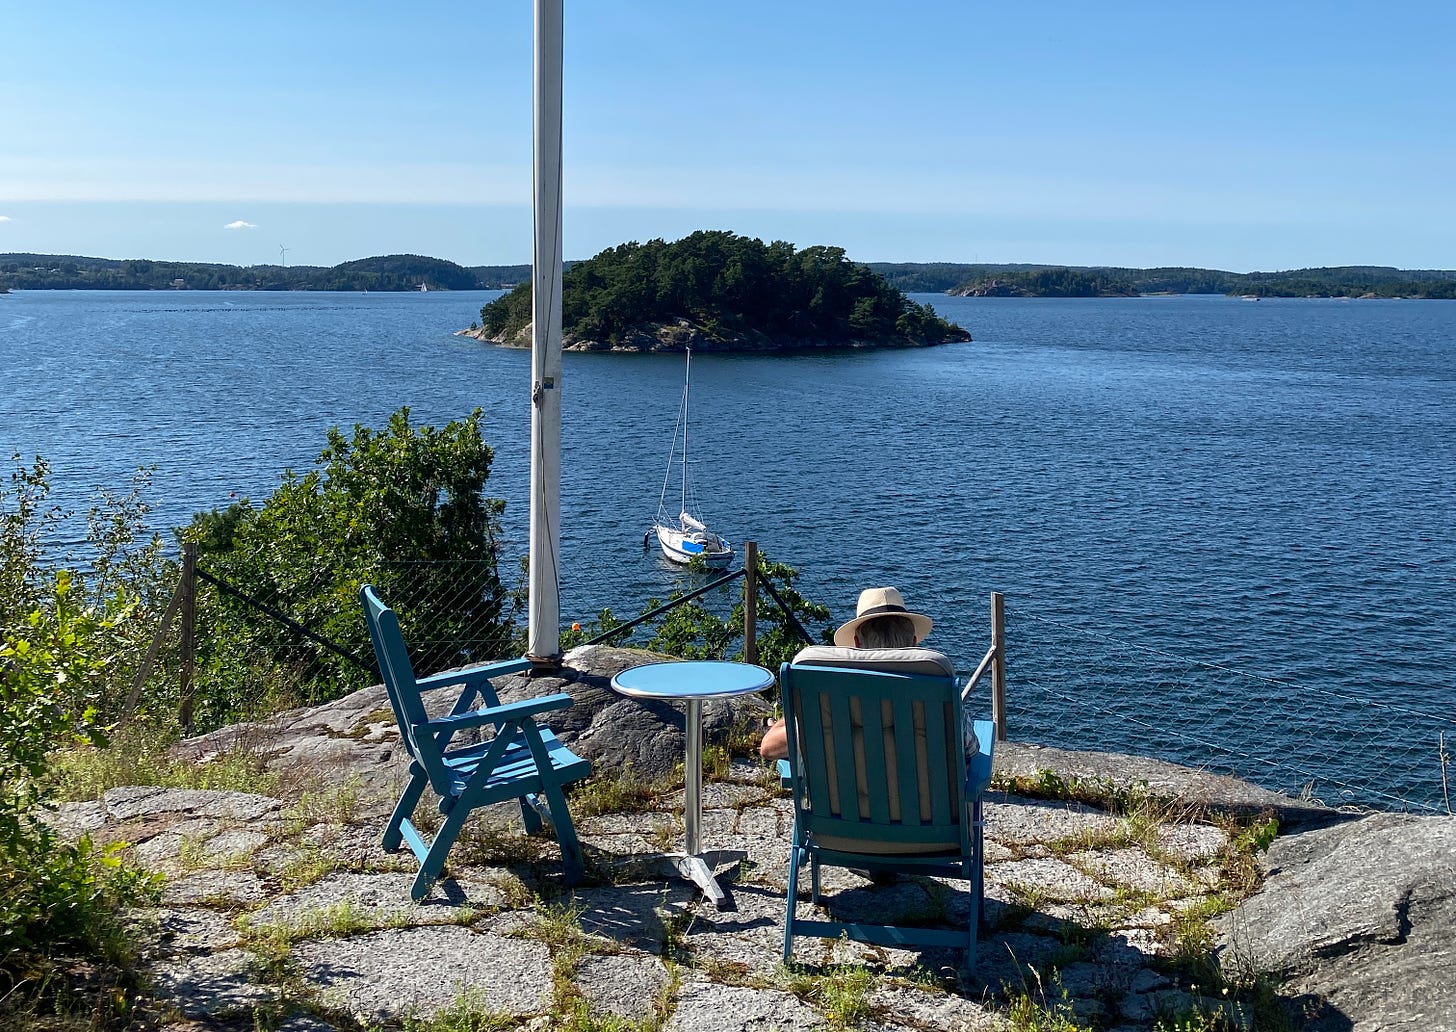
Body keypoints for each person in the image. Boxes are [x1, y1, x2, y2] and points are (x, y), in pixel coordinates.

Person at [759, 585, 958, 761]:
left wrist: (795, 716)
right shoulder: (935, 683)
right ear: (914, 642)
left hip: (841, 803)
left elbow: (769, 748)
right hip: (923, 802)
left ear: (856, 643)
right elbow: (969, 749)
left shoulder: (835, 696)